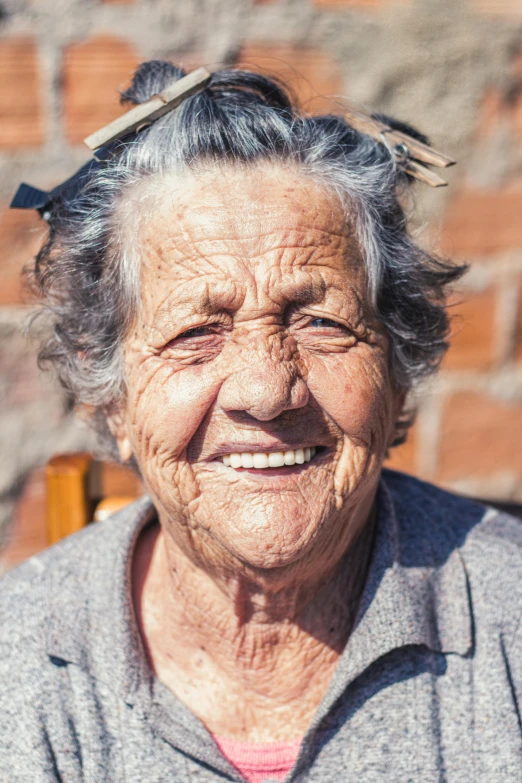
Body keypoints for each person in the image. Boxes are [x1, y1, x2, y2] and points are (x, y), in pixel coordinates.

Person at [1, 61, 521, 783]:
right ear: (111, 396)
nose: (267, 388)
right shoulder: (18, 667)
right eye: (196, 332)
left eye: (320, 320)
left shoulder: (509, 619)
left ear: (397, 371)